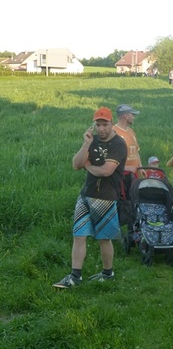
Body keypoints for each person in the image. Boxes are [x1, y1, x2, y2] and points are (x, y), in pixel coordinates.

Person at [53, 107, 127, 288]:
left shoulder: (118, 144)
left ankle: (108, 273)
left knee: (104, 238)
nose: (101, 129)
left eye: (105, 124)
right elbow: (76, 164)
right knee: (79, 235)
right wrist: (86, 145)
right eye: (98, 125)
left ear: (112, 124)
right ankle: (75, 276)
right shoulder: (92, 141)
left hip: (105, 197)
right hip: (86, 194)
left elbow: (106, 171)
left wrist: (88, 166)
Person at [113, 103, 142, 198]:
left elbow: (136, 151)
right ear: (125, 116)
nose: (134, 117)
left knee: (134, 199)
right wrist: (127, 168)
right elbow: (109, 157)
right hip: (122, 176)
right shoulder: (113, 132)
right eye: (132, 115)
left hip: (134, 174)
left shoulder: (131, 131)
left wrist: (140, 167)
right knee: (123, 201)